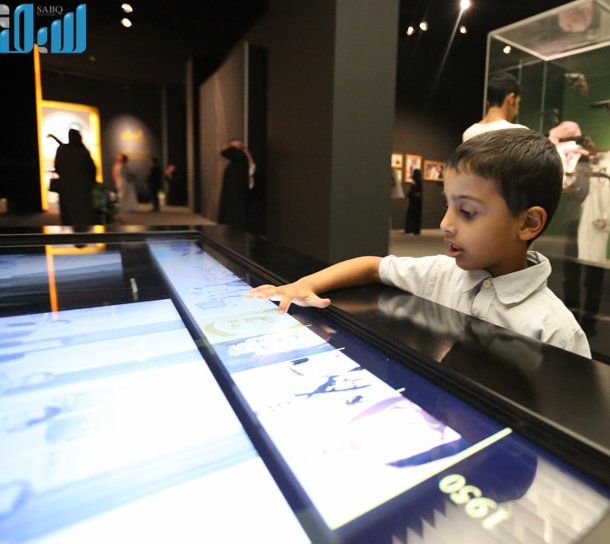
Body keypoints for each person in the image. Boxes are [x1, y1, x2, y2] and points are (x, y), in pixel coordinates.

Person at [247, 129, 591, 358]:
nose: (445, 225)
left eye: (467, 212)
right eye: (447, 206)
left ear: (528, 223)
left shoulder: (555, 331)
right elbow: (372, 266)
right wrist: (304, 285)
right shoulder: (441, 273)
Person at [462, 72, 528, 142]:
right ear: (511, 98)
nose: (516, 112)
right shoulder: (520, 133)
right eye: (518, 103)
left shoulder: (468, 133)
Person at [53, 129, 97, 228]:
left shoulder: (62, 150)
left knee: (69, 215)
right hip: (83, 187)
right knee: (84, 214)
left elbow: (57, 167)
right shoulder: (83, 151)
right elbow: (92, 169)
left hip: (66, 187)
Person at [218, 138, 255, 229]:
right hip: (235, 180)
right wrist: (233, 147)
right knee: (233, 202)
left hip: (238, 181)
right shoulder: (238, 154)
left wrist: (237, 147)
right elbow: (224, 152)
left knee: (237, 202)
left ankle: (236, 222)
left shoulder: (241, 154)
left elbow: (251, 163)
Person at [404, 168, 423, 235]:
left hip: (414, 202)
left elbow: (413, 193)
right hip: (418, 202)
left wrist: (409, 194)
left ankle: (410, 229)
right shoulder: (420, 182)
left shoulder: (415, 183)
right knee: (416, 216)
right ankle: (416, 230)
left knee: (411, 215)